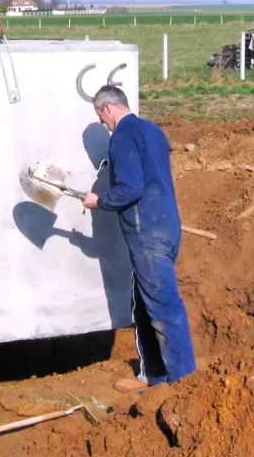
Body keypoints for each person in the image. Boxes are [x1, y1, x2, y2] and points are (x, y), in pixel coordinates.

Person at [81, 84, 197, 392]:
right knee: (144, 303)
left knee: (164, 306)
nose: (104, 124)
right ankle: (154, 375)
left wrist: (99, 202)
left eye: (101, 117)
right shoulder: (153, 130)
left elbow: (131, 189)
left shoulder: (121, 137)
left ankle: (185, 383)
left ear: (107, 108)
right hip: (168, 226)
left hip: (147, 233)